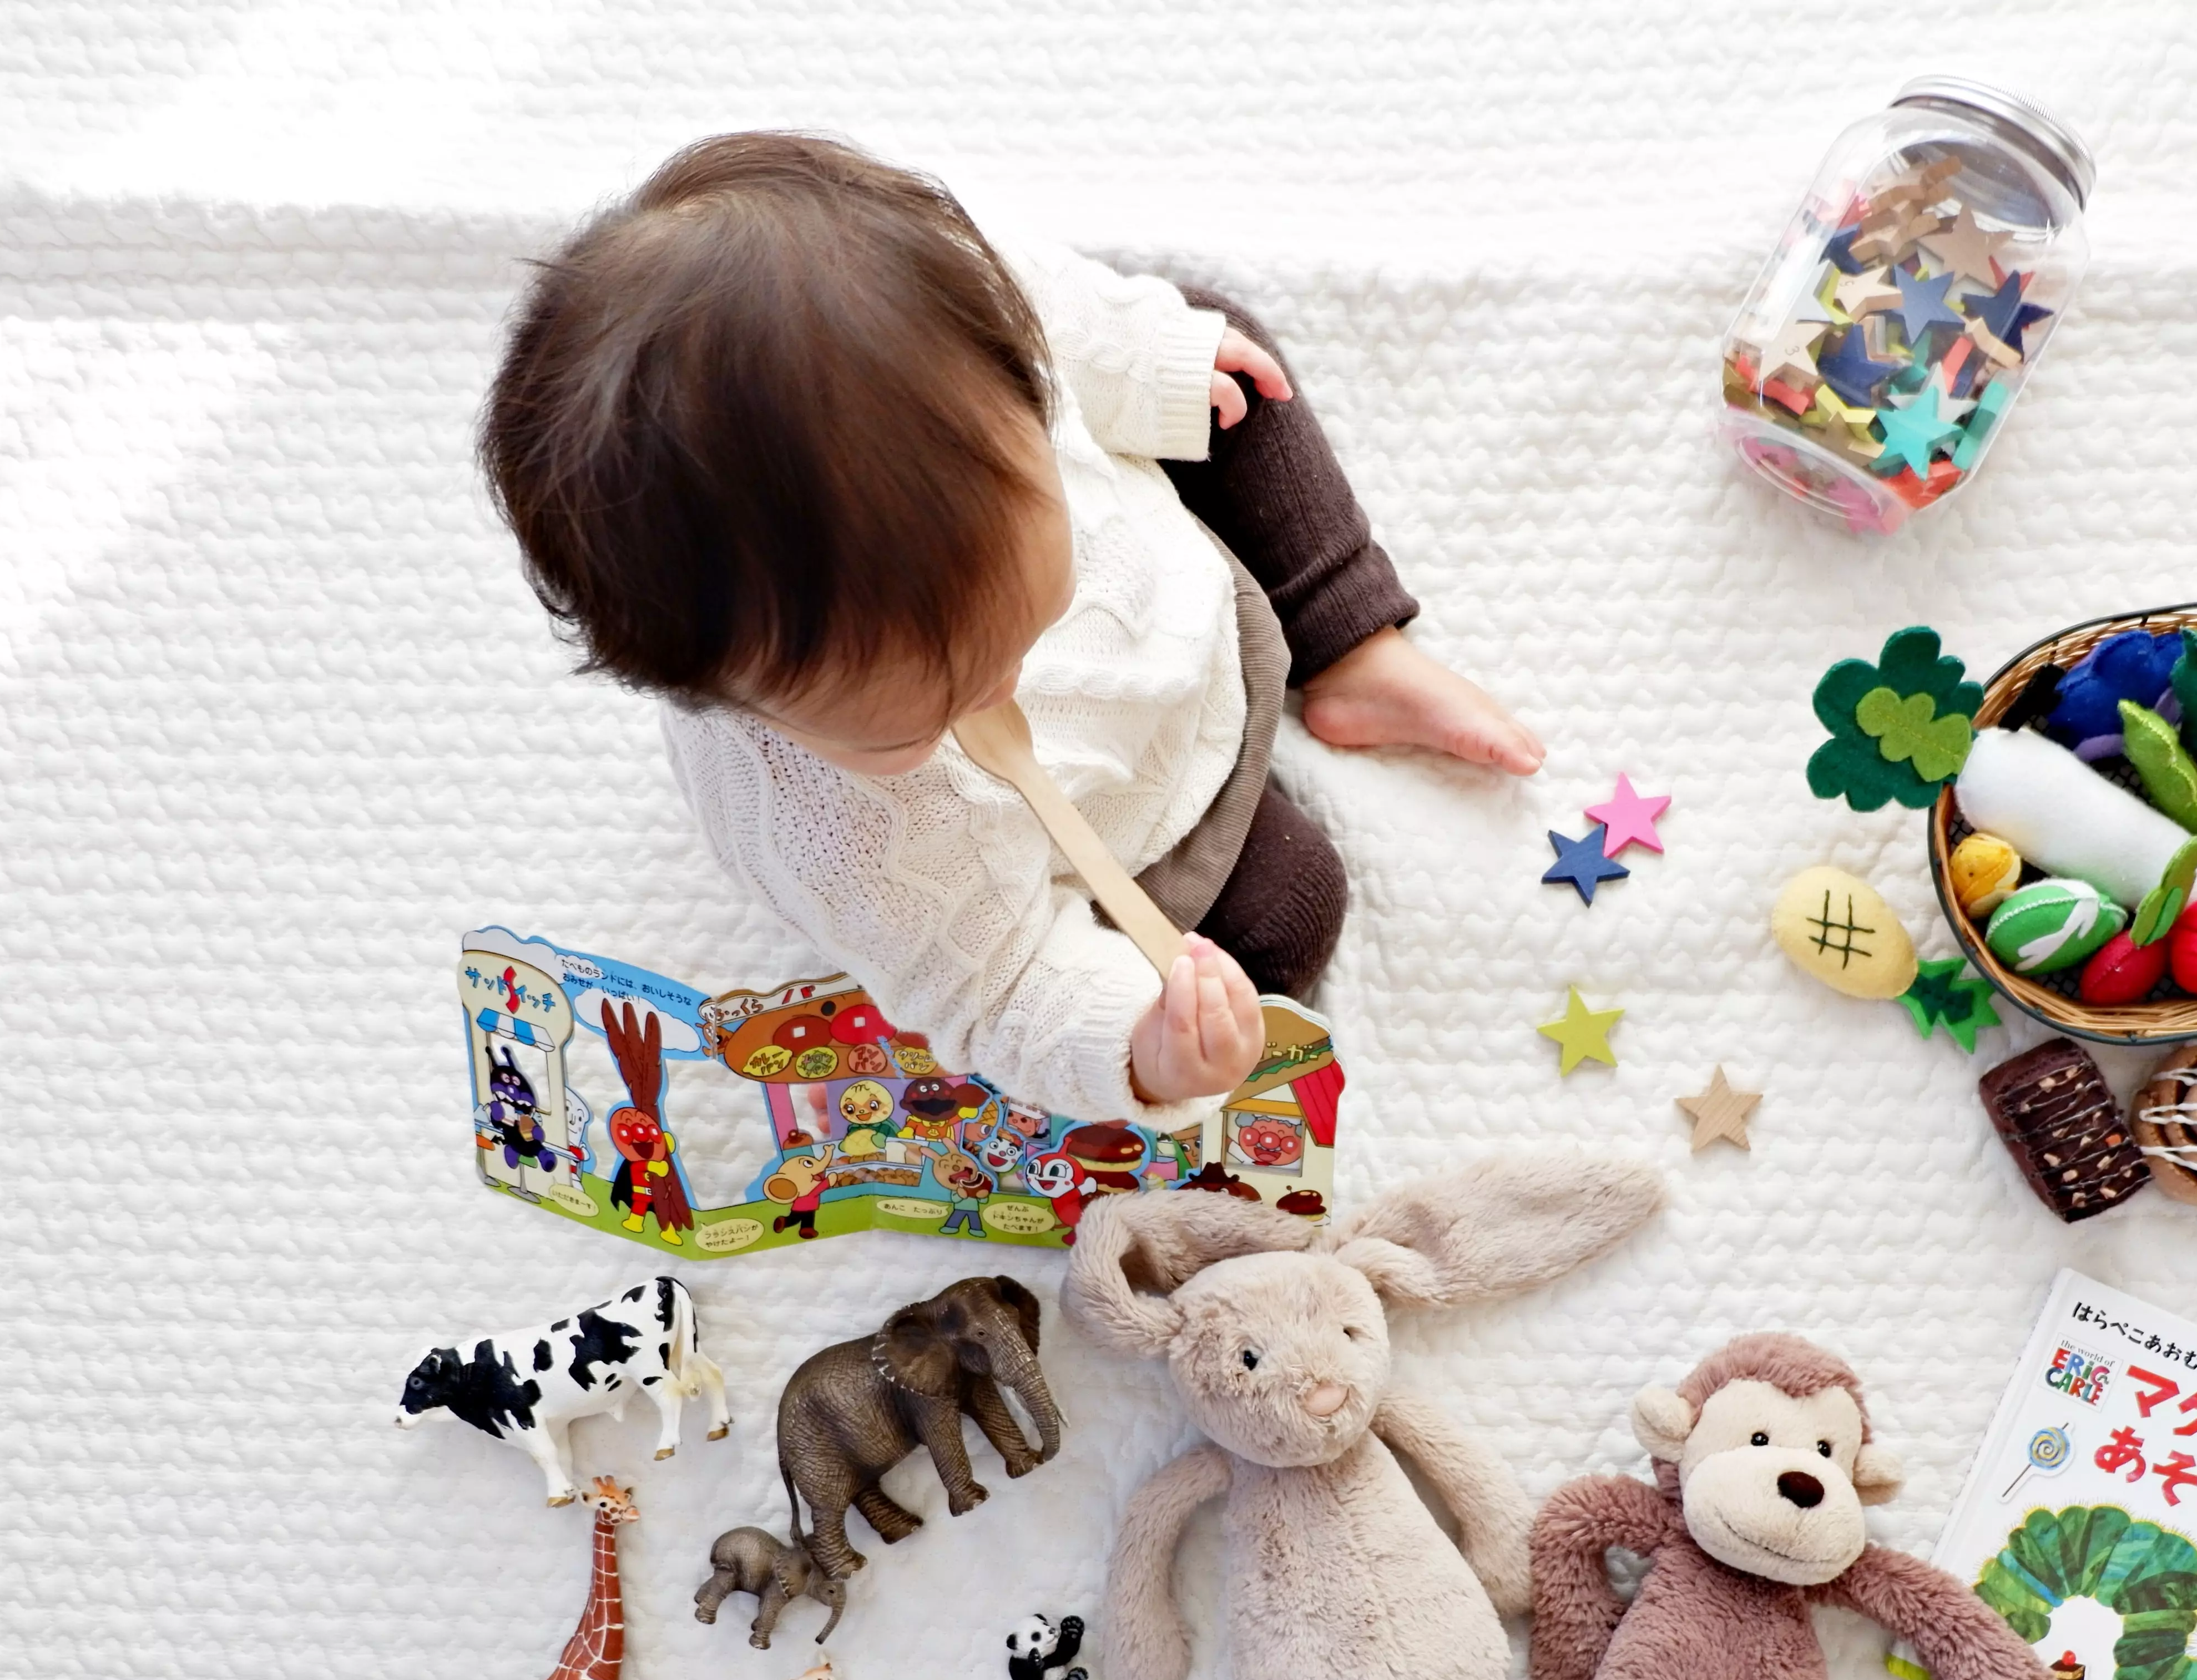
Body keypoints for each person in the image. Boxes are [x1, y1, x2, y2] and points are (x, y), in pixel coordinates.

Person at [481, 133, 1540, 1130]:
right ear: (720, 696)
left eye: (1024, 624)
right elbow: (1001, 990)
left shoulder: (971, 315)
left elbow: (1072, 320)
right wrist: (1143, 1050)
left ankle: (1352, 647)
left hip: (1180, 592)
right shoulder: (849, 841)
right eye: (922, 717)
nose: (1002, 692)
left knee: (1223, 368)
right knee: (1288, 917)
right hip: (1127, 827)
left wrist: (1150, 362)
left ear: (1015, 391)